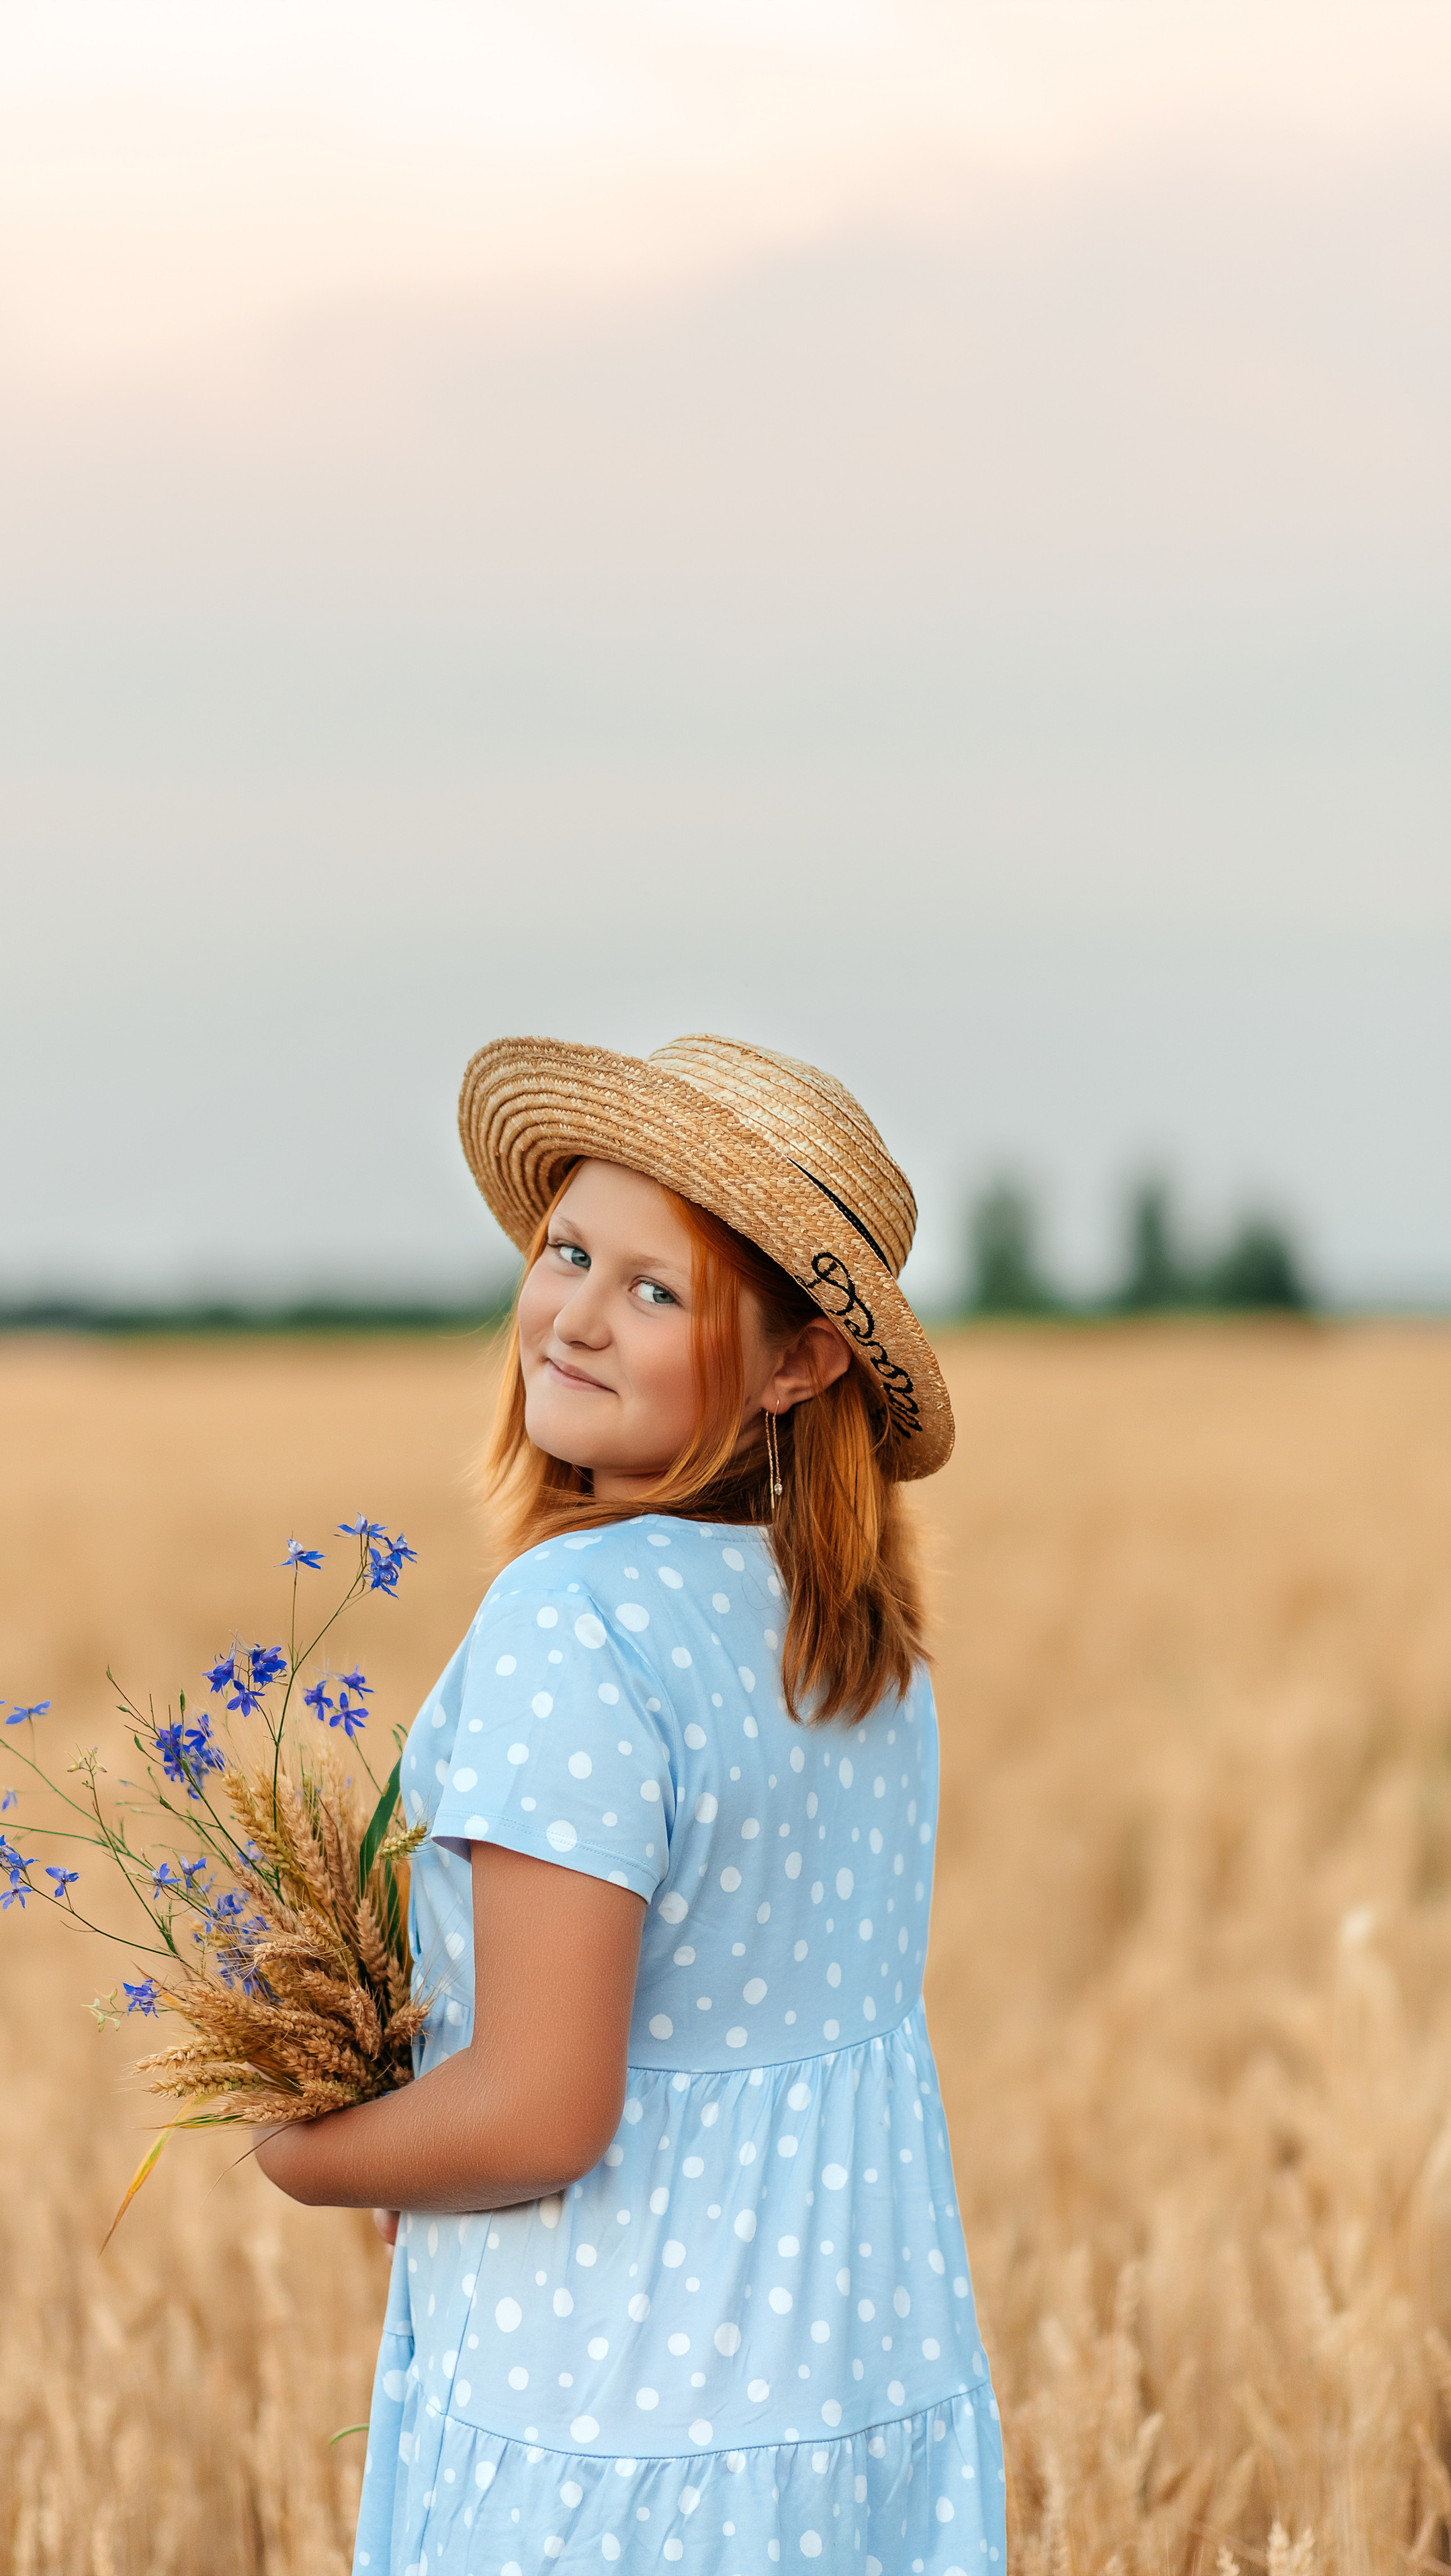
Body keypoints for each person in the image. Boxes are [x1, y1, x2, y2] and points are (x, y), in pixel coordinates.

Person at [257, 1033, 1004, 2576]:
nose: (574, 1316)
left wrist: (310, 2149)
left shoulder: (574, 1623)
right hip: (853, 2419)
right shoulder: (860, 1645)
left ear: (800, 1362)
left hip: (609, 2443)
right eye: (566, 1252)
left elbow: (541, 2107)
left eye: (655, 1290)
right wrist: (428, 2138)